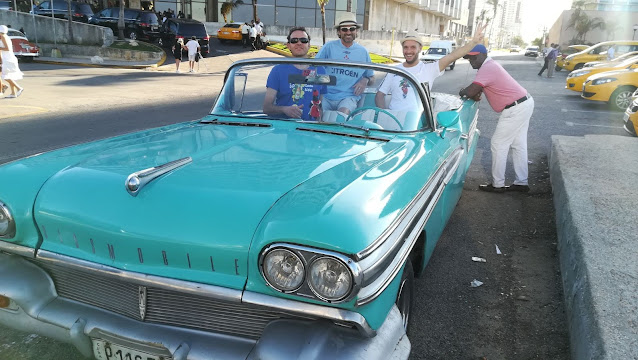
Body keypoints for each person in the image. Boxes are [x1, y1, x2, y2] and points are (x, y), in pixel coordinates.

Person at [459, 44, 534, 193]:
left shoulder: (487, 67)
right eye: (469, 58)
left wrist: (463, 92)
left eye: (473, 57)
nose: (471, 61)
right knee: (518, 145)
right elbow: (478, 92)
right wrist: (473, 92)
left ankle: (498, 184)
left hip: (515, 108)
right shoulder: (488, 67)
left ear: (482, 55)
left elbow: (471, 91)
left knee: (498, 144)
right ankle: (521, 182)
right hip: (523, 103)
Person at [375, 24, 486, 110]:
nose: (408, 51)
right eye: (406, 47)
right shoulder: (394, 71)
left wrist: (473, 42)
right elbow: (380, 95)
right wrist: (385, 113)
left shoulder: (429, 69)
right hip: (393, 121)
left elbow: (452, 56)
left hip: (416, 125)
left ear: (420, 48)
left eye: (413, 47)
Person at [314, 12, 373, 115]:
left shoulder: (363, 52)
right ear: (339, 32)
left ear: (356, 31)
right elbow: (314, 69)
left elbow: (372, 77)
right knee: (318, 118)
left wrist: (365, 80)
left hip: (348, 96)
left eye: (352, 29)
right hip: (326, 96)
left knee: (342, 116)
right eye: (344, 29)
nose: (348, 32)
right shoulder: (329, 47)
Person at [263, 27, 326, 121]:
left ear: (309, 45)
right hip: (284, 128)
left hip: (310, 129)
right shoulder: (277, 71)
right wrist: (284, 110)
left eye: (303, 40)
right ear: (288, 45)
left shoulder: (320, 70)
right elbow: (266, 108)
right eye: (294, 40)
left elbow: (320, 105)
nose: (299, 43)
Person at [0, 25, 24, 99]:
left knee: (5, 76)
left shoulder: (3, 37)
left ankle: (19, 88)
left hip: (7, 58)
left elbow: (7, 48)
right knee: (8, 75)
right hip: (7, 58)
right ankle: (13, 93)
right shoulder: (5, 37)